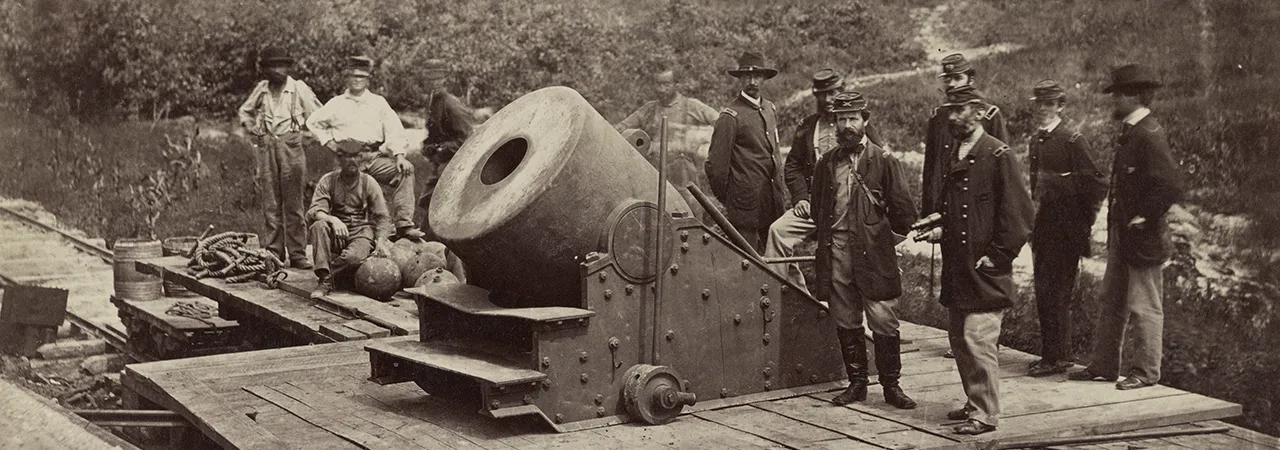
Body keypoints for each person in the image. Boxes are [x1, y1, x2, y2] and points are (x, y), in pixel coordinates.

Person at [1069, 64, 1183, 390]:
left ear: (1133, 96)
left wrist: (1144, 217)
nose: (1114, 101)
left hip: (1142, 238)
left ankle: (1146, 373)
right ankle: (1103, 366)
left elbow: (1169, 185)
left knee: (1145, 305)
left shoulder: (1149, 134)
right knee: (1112, 299)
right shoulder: (1132, 130)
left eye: (1117, 95)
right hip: (1123, 236)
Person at [931, 86, 1033, 435]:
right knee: (959, 339)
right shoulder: (954, 151)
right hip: (959, 268)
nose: (954, 117)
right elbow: (958, 211)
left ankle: (986, 414)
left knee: (978, 339)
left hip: (985, 271)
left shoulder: (997, 154)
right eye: (951, 110)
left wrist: (998, 257)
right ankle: (974, 402)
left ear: (978, 112)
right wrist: (939, 228)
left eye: (960, 110)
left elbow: (1019, 215)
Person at [808, 91, 918, 409]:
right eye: (841, 119)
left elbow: (904, 213)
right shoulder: (826, 164)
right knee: (846, 317)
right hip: (838, 249)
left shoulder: (883, 161)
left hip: (873, 253)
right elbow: (818, 210)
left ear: (865, 121)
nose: (846, 125)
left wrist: (883, 242)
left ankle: (891, 387)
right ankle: (857, 384)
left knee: (883, 318)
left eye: (853, 118)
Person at [767, 69, 887, 293]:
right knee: (778, 233)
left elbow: (880, 163)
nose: (828, 100)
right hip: (817, 204)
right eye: (822, 94)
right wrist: (801, 198)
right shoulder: (808, 126)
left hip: (852, 208)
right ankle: (789, 296)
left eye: (833, 93)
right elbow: (793, 165)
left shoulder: (861, 126)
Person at [1024, 79, 1108, 377]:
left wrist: (1083, 221)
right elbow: (1036, 187)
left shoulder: (1073, 140)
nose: (1044, 109)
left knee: (1057, 291)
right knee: (1044, 291)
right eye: (1039, 104)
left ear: (1061, 106)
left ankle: (1057, 357)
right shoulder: (1036, 141)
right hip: (1042, 228)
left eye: (1050, 103)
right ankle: (1053, 354)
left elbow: (1096, 184)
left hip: (1066, 230)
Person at [307, 55, 425, 241]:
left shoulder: (378, 103)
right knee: (340, 192)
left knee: (405, 172)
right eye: (353, 75)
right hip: (346, 160)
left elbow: (394, 129)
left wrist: (400, 156)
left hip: (372, 157)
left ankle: (403, 224)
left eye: (361, 76)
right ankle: (343, 233)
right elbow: (312, 122)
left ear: (368, 79)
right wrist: (329, 143)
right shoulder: (336, 103)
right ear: (346, 77)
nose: (357, 79)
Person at [236, 46, 322, 269]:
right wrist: (251, 127)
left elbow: (319, 117)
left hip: (291, 147)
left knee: (294, 203)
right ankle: (274, 252)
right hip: (266, 147)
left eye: (281, 65)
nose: (277, 70)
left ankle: (298, 254)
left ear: (287, 67)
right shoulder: (262, 89)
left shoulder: (298, 88)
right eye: (272, 66)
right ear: (265, 70)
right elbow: (244, 111)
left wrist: (307, 137)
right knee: (271, 204)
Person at [705, 51, 788, 252]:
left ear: (764, 78)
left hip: (772, 201)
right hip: (745, 207)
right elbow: (716, 167)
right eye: (747, 76)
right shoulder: (730, 116)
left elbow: (774, 153)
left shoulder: (769, 109)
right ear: (740, 79)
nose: (752, 81)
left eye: (757, 76)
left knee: (776, 260)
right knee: (749, 263)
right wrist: (731, 198)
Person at [615, 68, 720, 218]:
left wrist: (702, 141)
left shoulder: (691, 106)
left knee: (692, 210)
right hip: (654, 170)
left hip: (682, 170)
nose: (661, 89)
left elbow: (720, 122)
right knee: (655, 211)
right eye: (657, 84)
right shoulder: (649, 109)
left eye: (666, 84)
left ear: (676, 84)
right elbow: (623, 126)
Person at [921, 53, 1010, 217]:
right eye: (948, 79)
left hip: (975, 207)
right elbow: (930, 168)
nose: (952, 84)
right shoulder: (938, 117)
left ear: (971, 80)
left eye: (957, 78)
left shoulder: (989, 115)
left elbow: (1002, 168)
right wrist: (927, 209)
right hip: (942, 204)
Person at [306, 140, 394, 299]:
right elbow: (314, 211)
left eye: (356, 156)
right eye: (347, 157)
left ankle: (327, 278)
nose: (352, 161)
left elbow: (382, 217)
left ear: (361, 159)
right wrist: (332, 219)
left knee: (354, 257)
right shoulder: (328, 180)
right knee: (319, 226)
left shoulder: (368, 182)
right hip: (337, 232)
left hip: (360, 232)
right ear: (339, 160)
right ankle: (328, 279)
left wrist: (381, 242)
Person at [418, 58, 476, 239]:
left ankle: (441, 240)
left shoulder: (451, 104)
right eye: (428, 79)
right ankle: (428, 238)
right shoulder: (434, 102)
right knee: (430, 201)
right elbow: (436, 133)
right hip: (441, 160)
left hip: (455, 161)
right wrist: (428, 146)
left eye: (436, 79)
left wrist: (441, 149)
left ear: (444, 80)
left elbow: (467, 138)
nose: (431, 83)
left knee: (442, 201)